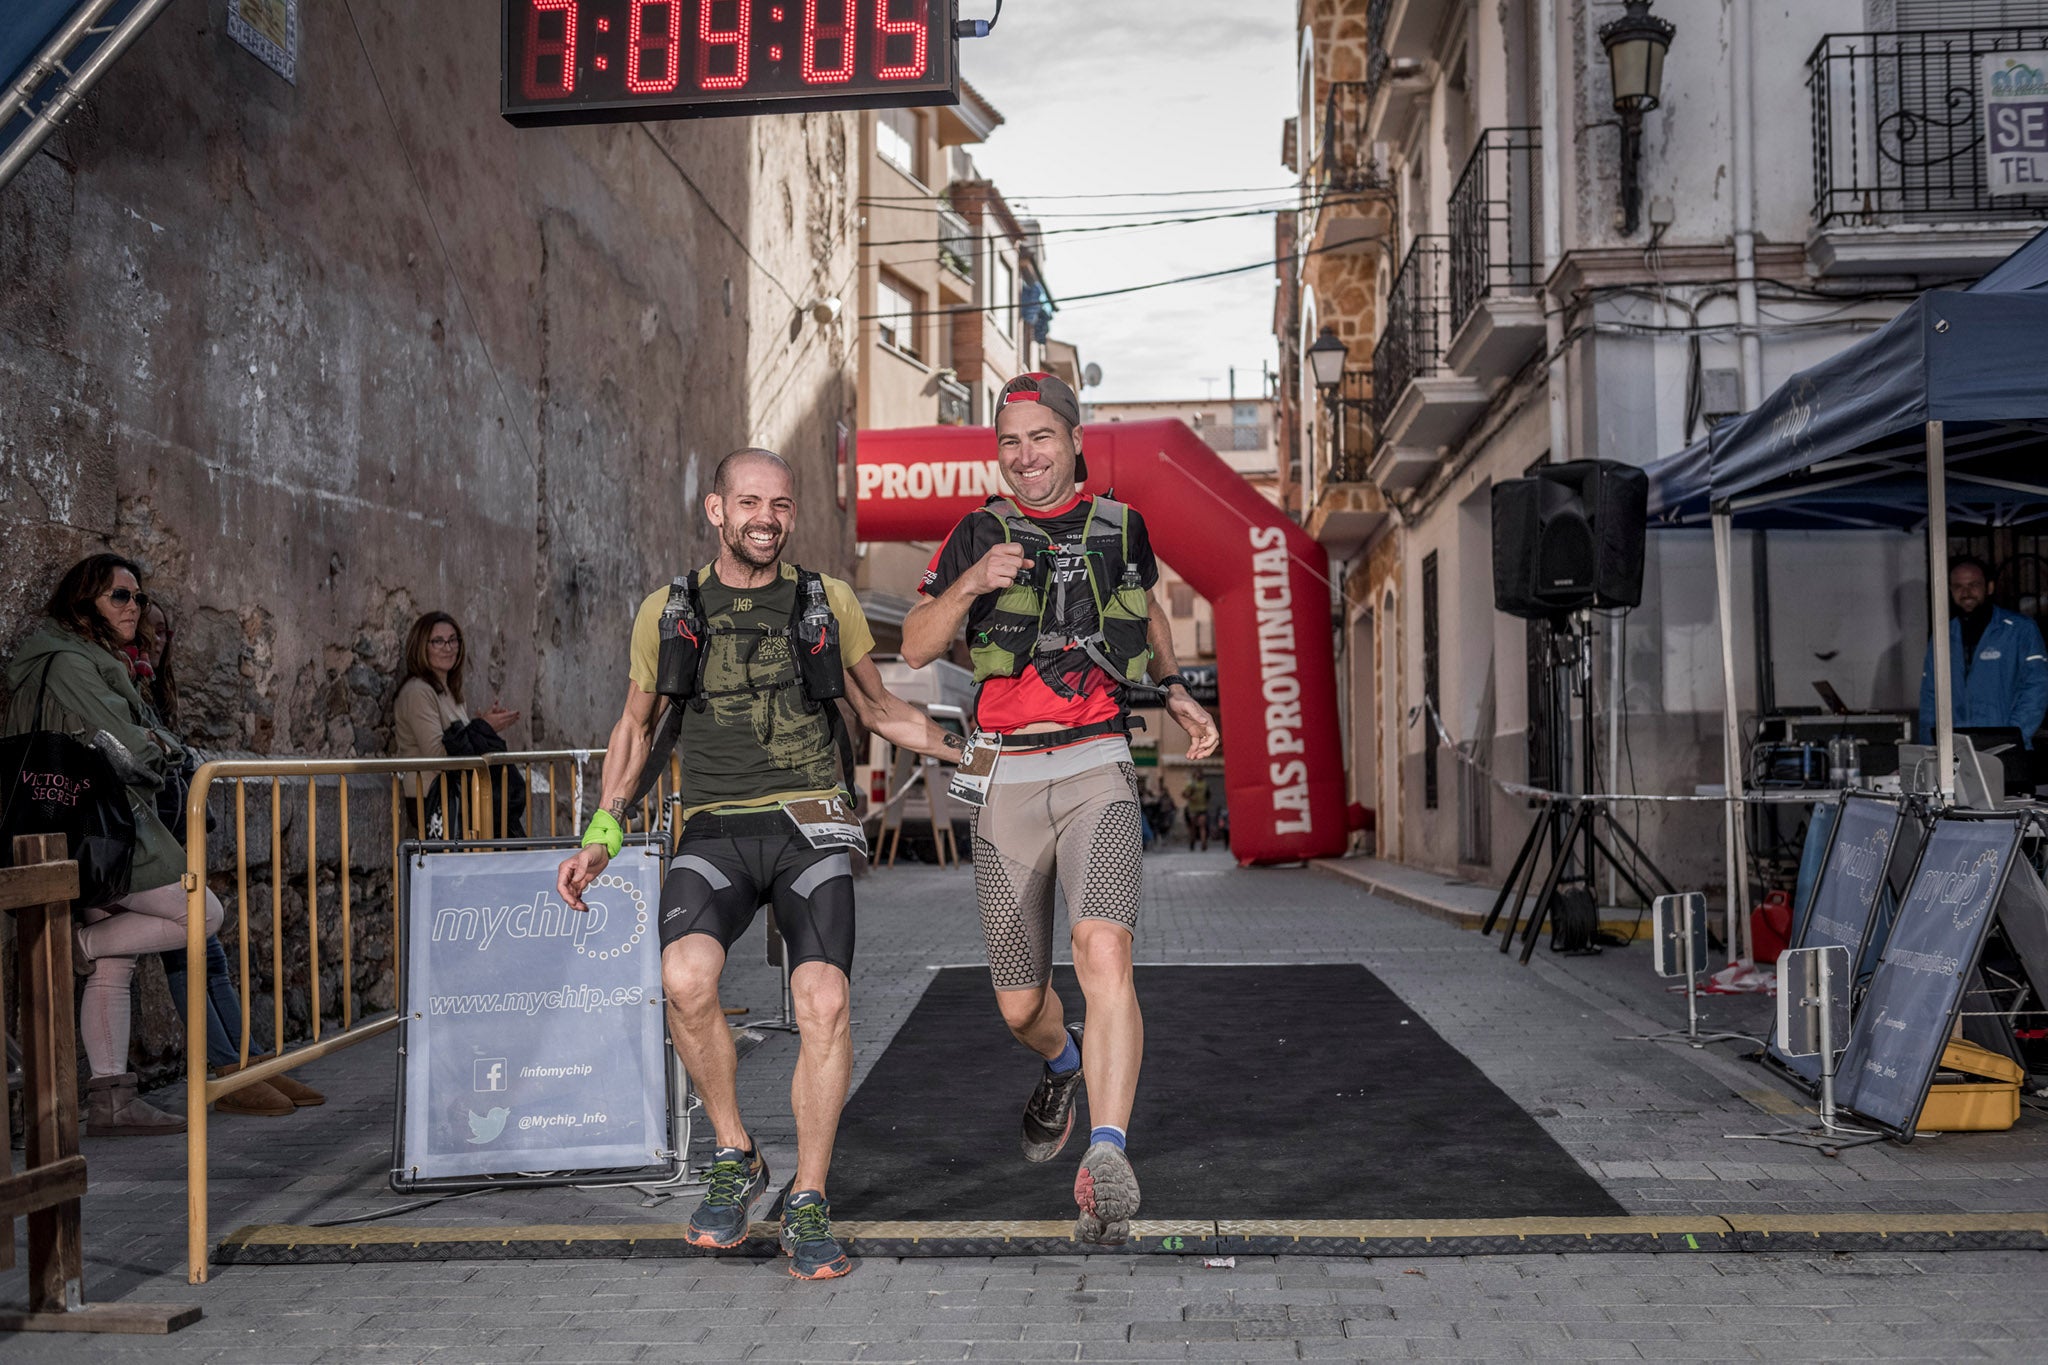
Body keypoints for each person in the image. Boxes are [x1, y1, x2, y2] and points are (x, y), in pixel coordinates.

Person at [557, 447, 964, 1281]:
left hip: (812, 824)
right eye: (749, 503)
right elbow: (635, 727)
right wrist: (602, 828)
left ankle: (808, 1195)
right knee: (684, 976)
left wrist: (976, 750)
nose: (766, 519)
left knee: (824, 999)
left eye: (779, 504)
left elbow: (880, 708)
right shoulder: (669, 608)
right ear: (716, 510)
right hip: (714, 827)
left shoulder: (829, 599)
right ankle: (736, 1150)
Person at [901, 371, 1219, 1245]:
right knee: (1018, 1004)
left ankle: (1109, 1152)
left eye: (1040, 437)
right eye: (1010, 441)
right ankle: (1062, 1060)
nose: (1025, 455)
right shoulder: (975, 530)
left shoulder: (1121, 528)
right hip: (1003, 777)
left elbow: (1148, 616)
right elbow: (918, 640)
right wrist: (969, 584)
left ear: (1075, 440)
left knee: (1103, 947)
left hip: (1095, 765)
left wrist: (1178, 692)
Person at [3, 554, 225, 1135]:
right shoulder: (71, 662)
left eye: (138, 597)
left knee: (117, 961)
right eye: (119, 597)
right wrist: (171, 749)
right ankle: (80, 942)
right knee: (202, 911)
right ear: (85, 606)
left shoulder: (93, 659)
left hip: (97, 825)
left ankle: (110, 1100)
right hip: (99, 826)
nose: (135, 607)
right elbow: (126, 745)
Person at [137, 599, 321, 1116]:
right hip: (131, 842)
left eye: (162, 628)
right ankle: (227, 1070)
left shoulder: (148, 679)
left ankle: (246, 1062)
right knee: (193, 943)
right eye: (146, 625)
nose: (157, 636)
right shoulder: (118, 676)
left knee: (209, 951)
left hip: (162, 836)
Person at [392, 613, 524, 837]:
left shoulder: (449, 692)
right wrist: (481, 727)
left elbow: (461, 741)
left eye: (453, 640)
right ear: (421, 646)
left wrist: (483, 727)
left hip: (461, 796)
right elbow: (438, 755)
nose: (448, 647)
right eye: (438, 641)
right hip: (436, 799)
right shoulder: (418, 691)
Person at [1917, 556, 2048, 762]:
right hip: (1955, 756)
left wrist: (2009, 739)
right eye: (1958, 586)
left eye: (1973, 585)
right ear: (1950, 591)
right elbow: (1930, 696)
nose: (1966, 592)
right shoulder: (1943, 634)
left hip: (2008, 754)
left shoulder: (2020, 629)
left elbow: (2037, 689)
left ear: (1989, 587)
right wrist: (1928, 752)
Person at [1180, 773, 1212, 851]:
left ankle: (1203, 843)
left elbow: (1208, 795)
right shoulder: (1191, 785)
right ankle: (1193, 842)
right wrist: (1191, 798)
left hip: (1201, 809)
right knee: (1194, 827)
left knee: (1201, 825)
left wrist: (1205, 802)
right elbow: (1183, 794)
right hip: (1193, 809)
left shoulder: (1205, 784)